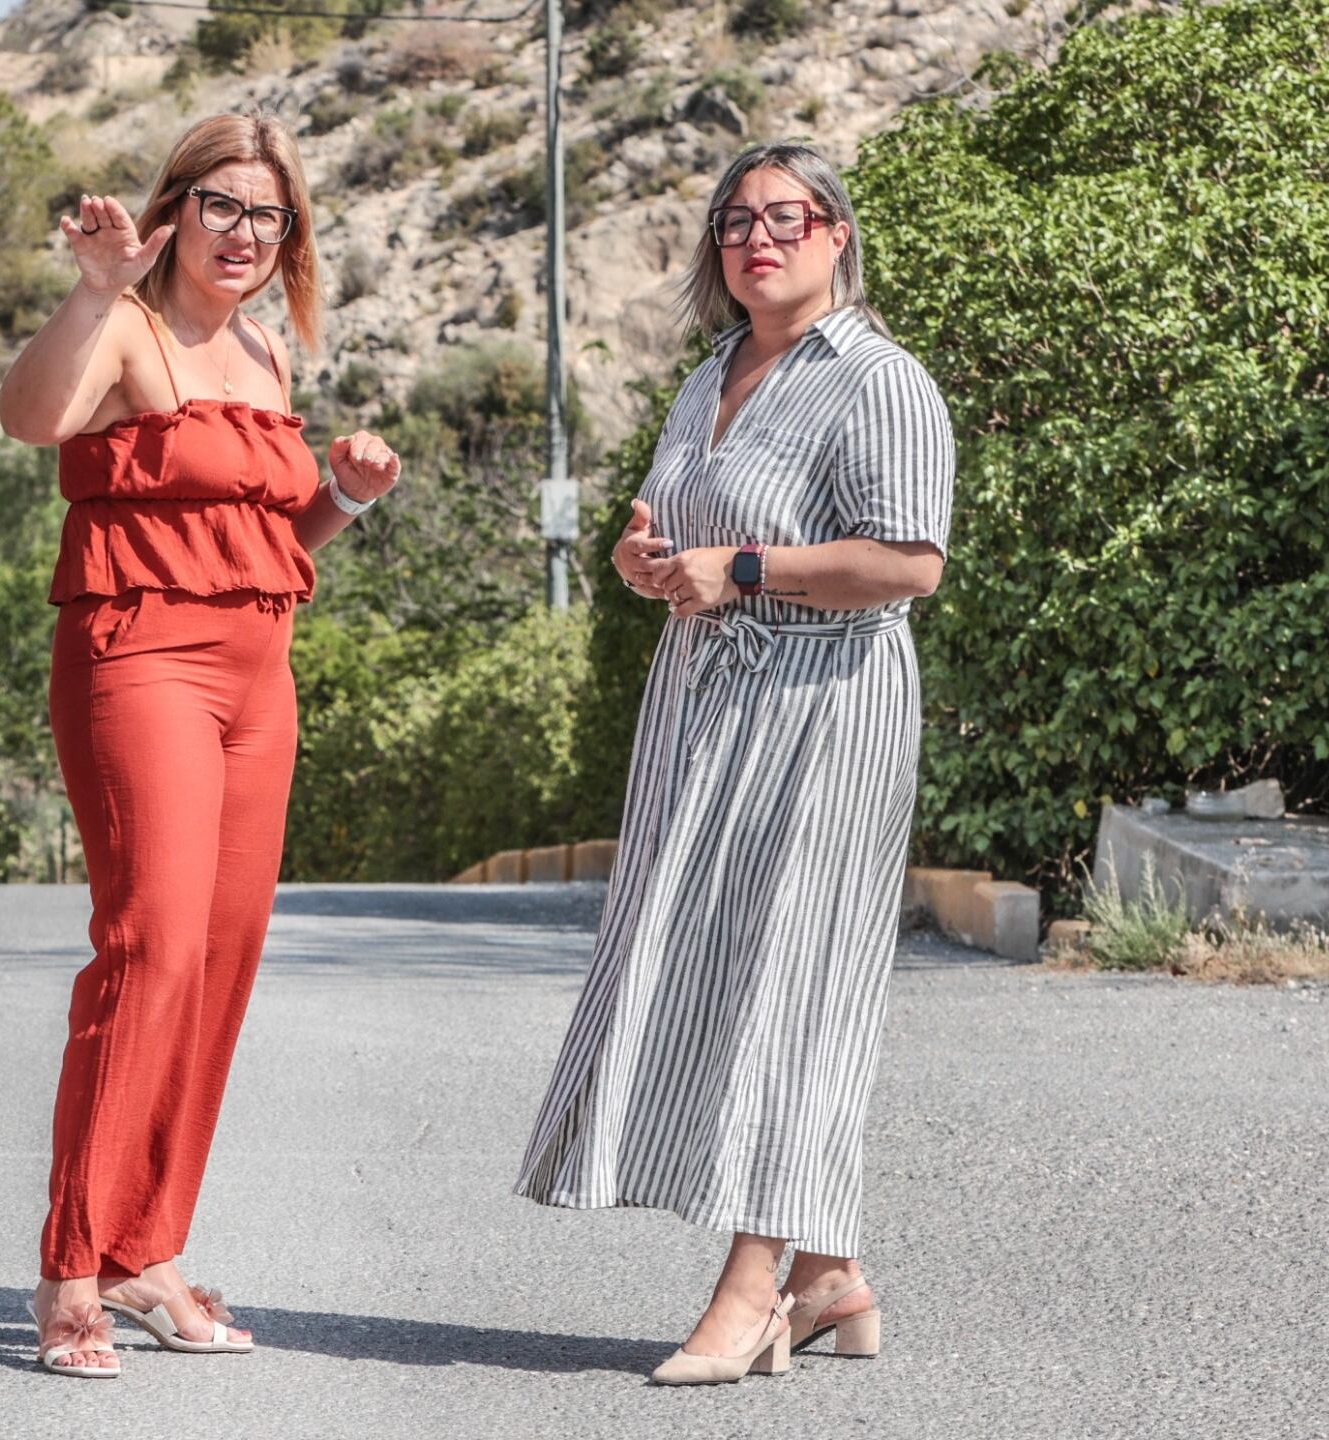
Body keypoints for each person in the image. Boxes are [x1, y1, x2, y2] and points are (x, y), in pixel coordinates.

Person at [513, 142, 955, 1386]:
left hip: (825, 711)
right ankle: (832, 1277)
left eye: (786, 217)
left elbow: (910, 563)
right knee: (722, 966)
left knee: (786, 978)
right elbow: (680, 539)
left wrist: (747, 569)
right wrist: (649, 563)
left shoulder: (877, 379)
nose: (757, 239)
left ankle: (751, 1286)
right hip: (705, 711)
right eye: (733, 223)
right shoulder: (712, 371)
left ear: (835, 233)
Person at [0, 111, 401, 1380]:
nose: (243, 233)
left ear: (291, 242)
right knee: (151, 946)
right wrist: (92, 290)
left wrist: (341, 498)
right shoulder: (123, 324)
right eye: (222, 206)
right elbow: (28, 419)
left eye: (268, 216)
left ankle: (150, 1247)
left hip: (257, 673)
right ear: (174, 211)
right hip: (138, 657)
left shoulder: (267, 357)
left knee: (219, 962)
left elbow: (264, 540)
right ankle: (73, 1271)